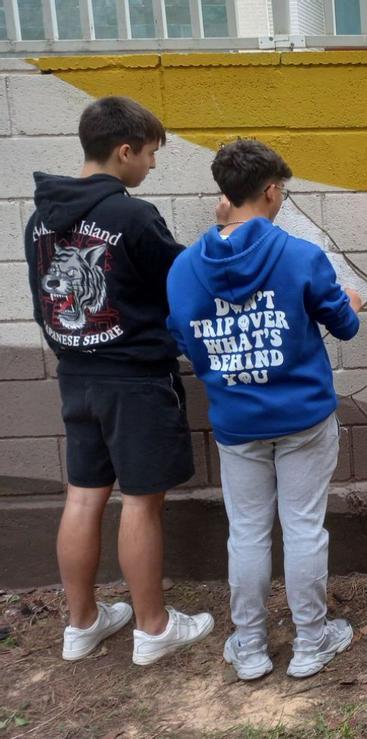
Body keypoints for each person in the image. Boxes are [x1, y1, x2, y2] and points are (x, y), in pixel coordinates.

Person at [24, 96, 214, 665]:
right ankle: (153, 628)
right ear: (124, 150)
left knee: (82, 498)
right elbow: (180, 278)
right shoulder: (132, 215)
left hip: (76, 376)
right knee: (141, 503)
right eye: (151, 154)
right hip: (132, 379)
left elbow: (42, 304)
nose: (152, 165)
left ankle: (81, 624)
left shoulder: (39, 220)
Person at [166, 139, 362, 680]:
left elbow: (182, 337)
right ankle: (311, 642)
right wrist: (350, 303)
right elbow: (344, 325)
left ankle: (249, 647)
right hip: (303, 418)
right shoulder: (301, 256)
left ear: (225, 194)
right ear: (272, 191)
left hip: (236, 422)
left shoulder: (183, 269)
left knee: (247, 533)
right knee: (302, 529)